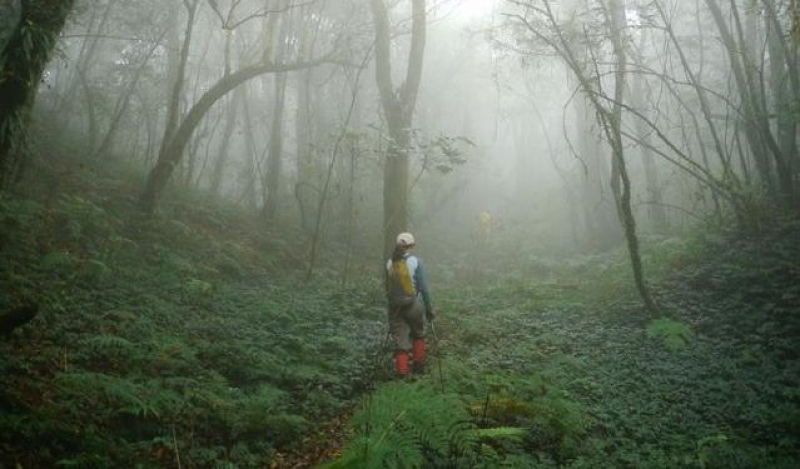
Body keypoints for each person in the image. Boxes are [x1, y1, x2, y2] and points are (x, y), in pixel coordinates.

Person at [385, 232, 435, 377]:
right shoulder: (416, 261)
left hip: (395, 308)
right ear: (411, 245)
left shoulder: (389, 262)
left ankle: (402, 378)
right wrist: (429, 309)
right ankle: (419, 369)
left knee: (401, 344)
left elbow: (387, 288)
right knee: (418, 334)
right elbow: (424, 289)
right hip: (414, 306)